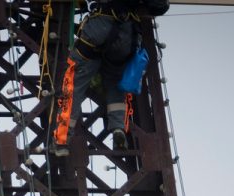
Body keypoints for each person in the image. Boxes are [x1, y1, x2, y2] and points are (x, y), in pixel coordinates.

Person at [53, 0, 169, 157]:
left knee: (75, 85)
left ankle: (62, 140)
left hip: (99, 29)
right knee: (116, 84)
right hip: (126, 37)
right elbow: (160, 6)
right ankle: (118, 128)